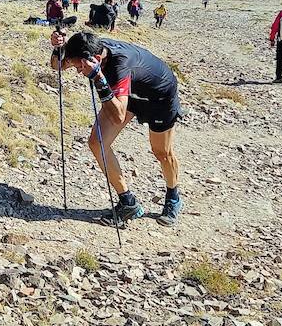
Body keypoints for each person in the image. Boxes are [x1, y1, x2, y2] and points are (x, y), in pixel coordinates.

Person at [50, 31, 184, 226]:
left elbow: (119, 115)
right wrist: (58, 49)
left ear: (95, 59)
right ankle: (128, 203)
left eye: (79, 67)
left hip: (158, 98)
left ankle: (173, 197)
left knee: (162, 152)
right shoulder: (90, 51)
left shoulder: (120, 65)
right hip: (127, 95)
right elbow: (57, 67)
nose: (79, 71)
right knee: (97, 142)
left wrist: (98, 78)